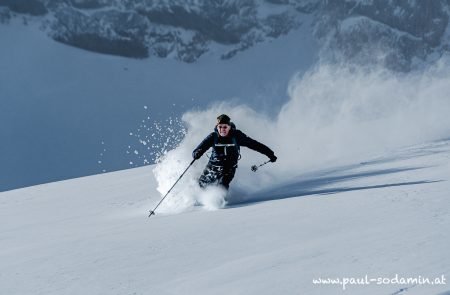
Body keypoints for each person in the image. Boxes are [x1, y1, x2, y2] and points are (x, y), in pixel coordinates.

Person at [192, 114, 277, 190]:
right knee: (201, 186)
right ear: (217, 127)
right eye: (220, 127)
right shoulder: (213, 136)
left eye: (225, 127)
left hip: (228, 168)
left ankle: (217, 202)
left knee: (222, 186)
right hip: (213, 167)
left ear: (229, 127)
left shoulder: (236, 136)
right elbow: (199, 149)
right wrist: (197, 153)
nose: (222, 129)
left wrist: (270, 153)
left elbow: (254, 144)